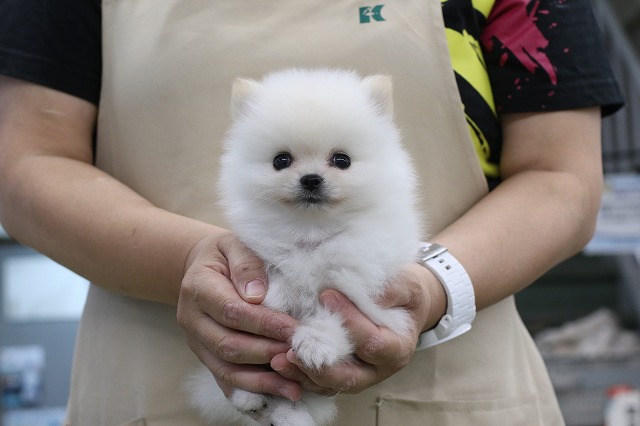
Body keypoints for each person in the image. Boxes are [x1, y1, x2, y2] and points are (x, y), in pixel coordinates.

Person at [0, 0, 623, 425]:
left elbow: (561, 178)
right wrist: (192, 262)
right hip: (156, 386)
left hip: (454, 390)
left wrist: (431, 287)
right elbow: (24, 166)